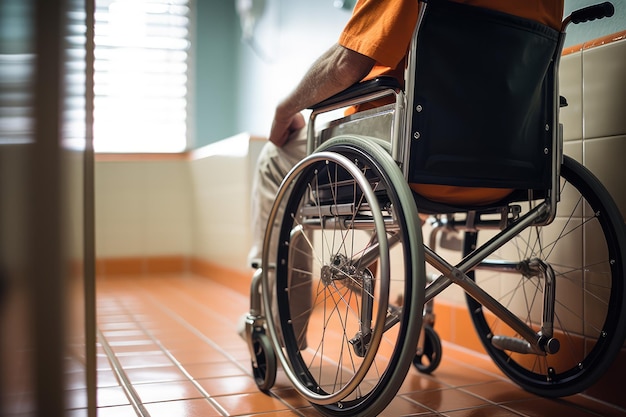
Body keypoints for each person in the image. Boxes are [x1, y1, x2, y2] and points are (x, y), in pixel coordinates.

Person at [248, 0, 564, 269]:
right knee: (421, 135)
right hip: (508, 172)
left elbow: (345, 65)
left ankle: (273, 319)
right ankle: (375, 248)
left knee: (274, 158)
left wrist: (285, 109)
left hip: (420, 164)